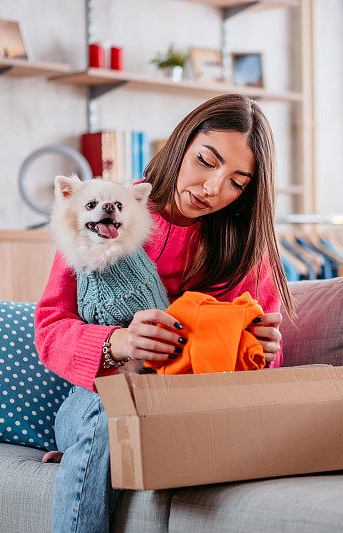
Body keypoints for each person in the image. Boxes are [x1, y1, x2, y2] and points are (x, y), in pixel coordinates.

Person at [34, 93, 294, 533]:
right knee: (110, 412)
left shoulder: (249, 251)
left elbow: (258, 373)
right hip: (100, 398)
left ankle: (105, 453)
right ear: (181, 143)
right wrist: (116, 344)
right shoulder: (107, 211)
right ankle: (103, 448)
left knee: (121, 430)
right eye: (206, 161)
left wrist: (263, 353)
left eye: (237, 181)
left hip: (190, 412)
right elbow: (50, 327)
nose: (213, 188)